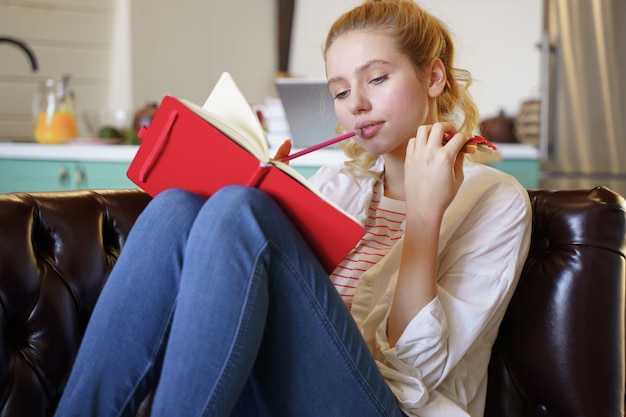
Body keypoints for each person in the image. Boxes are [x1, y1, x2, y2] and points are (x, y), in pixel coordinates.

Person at [54, 0, 531, 416]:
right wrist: (272, 205)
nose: (358, 104)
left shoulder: (495, 200)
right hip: (280, 388)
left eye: (378, 79)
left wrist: (424, 216)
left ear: (433, 75)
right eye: (341, 92)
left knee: (242, 210)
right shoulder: (338, 183)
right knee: (177, 207)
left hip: (388, 406)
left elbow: (413, 375)